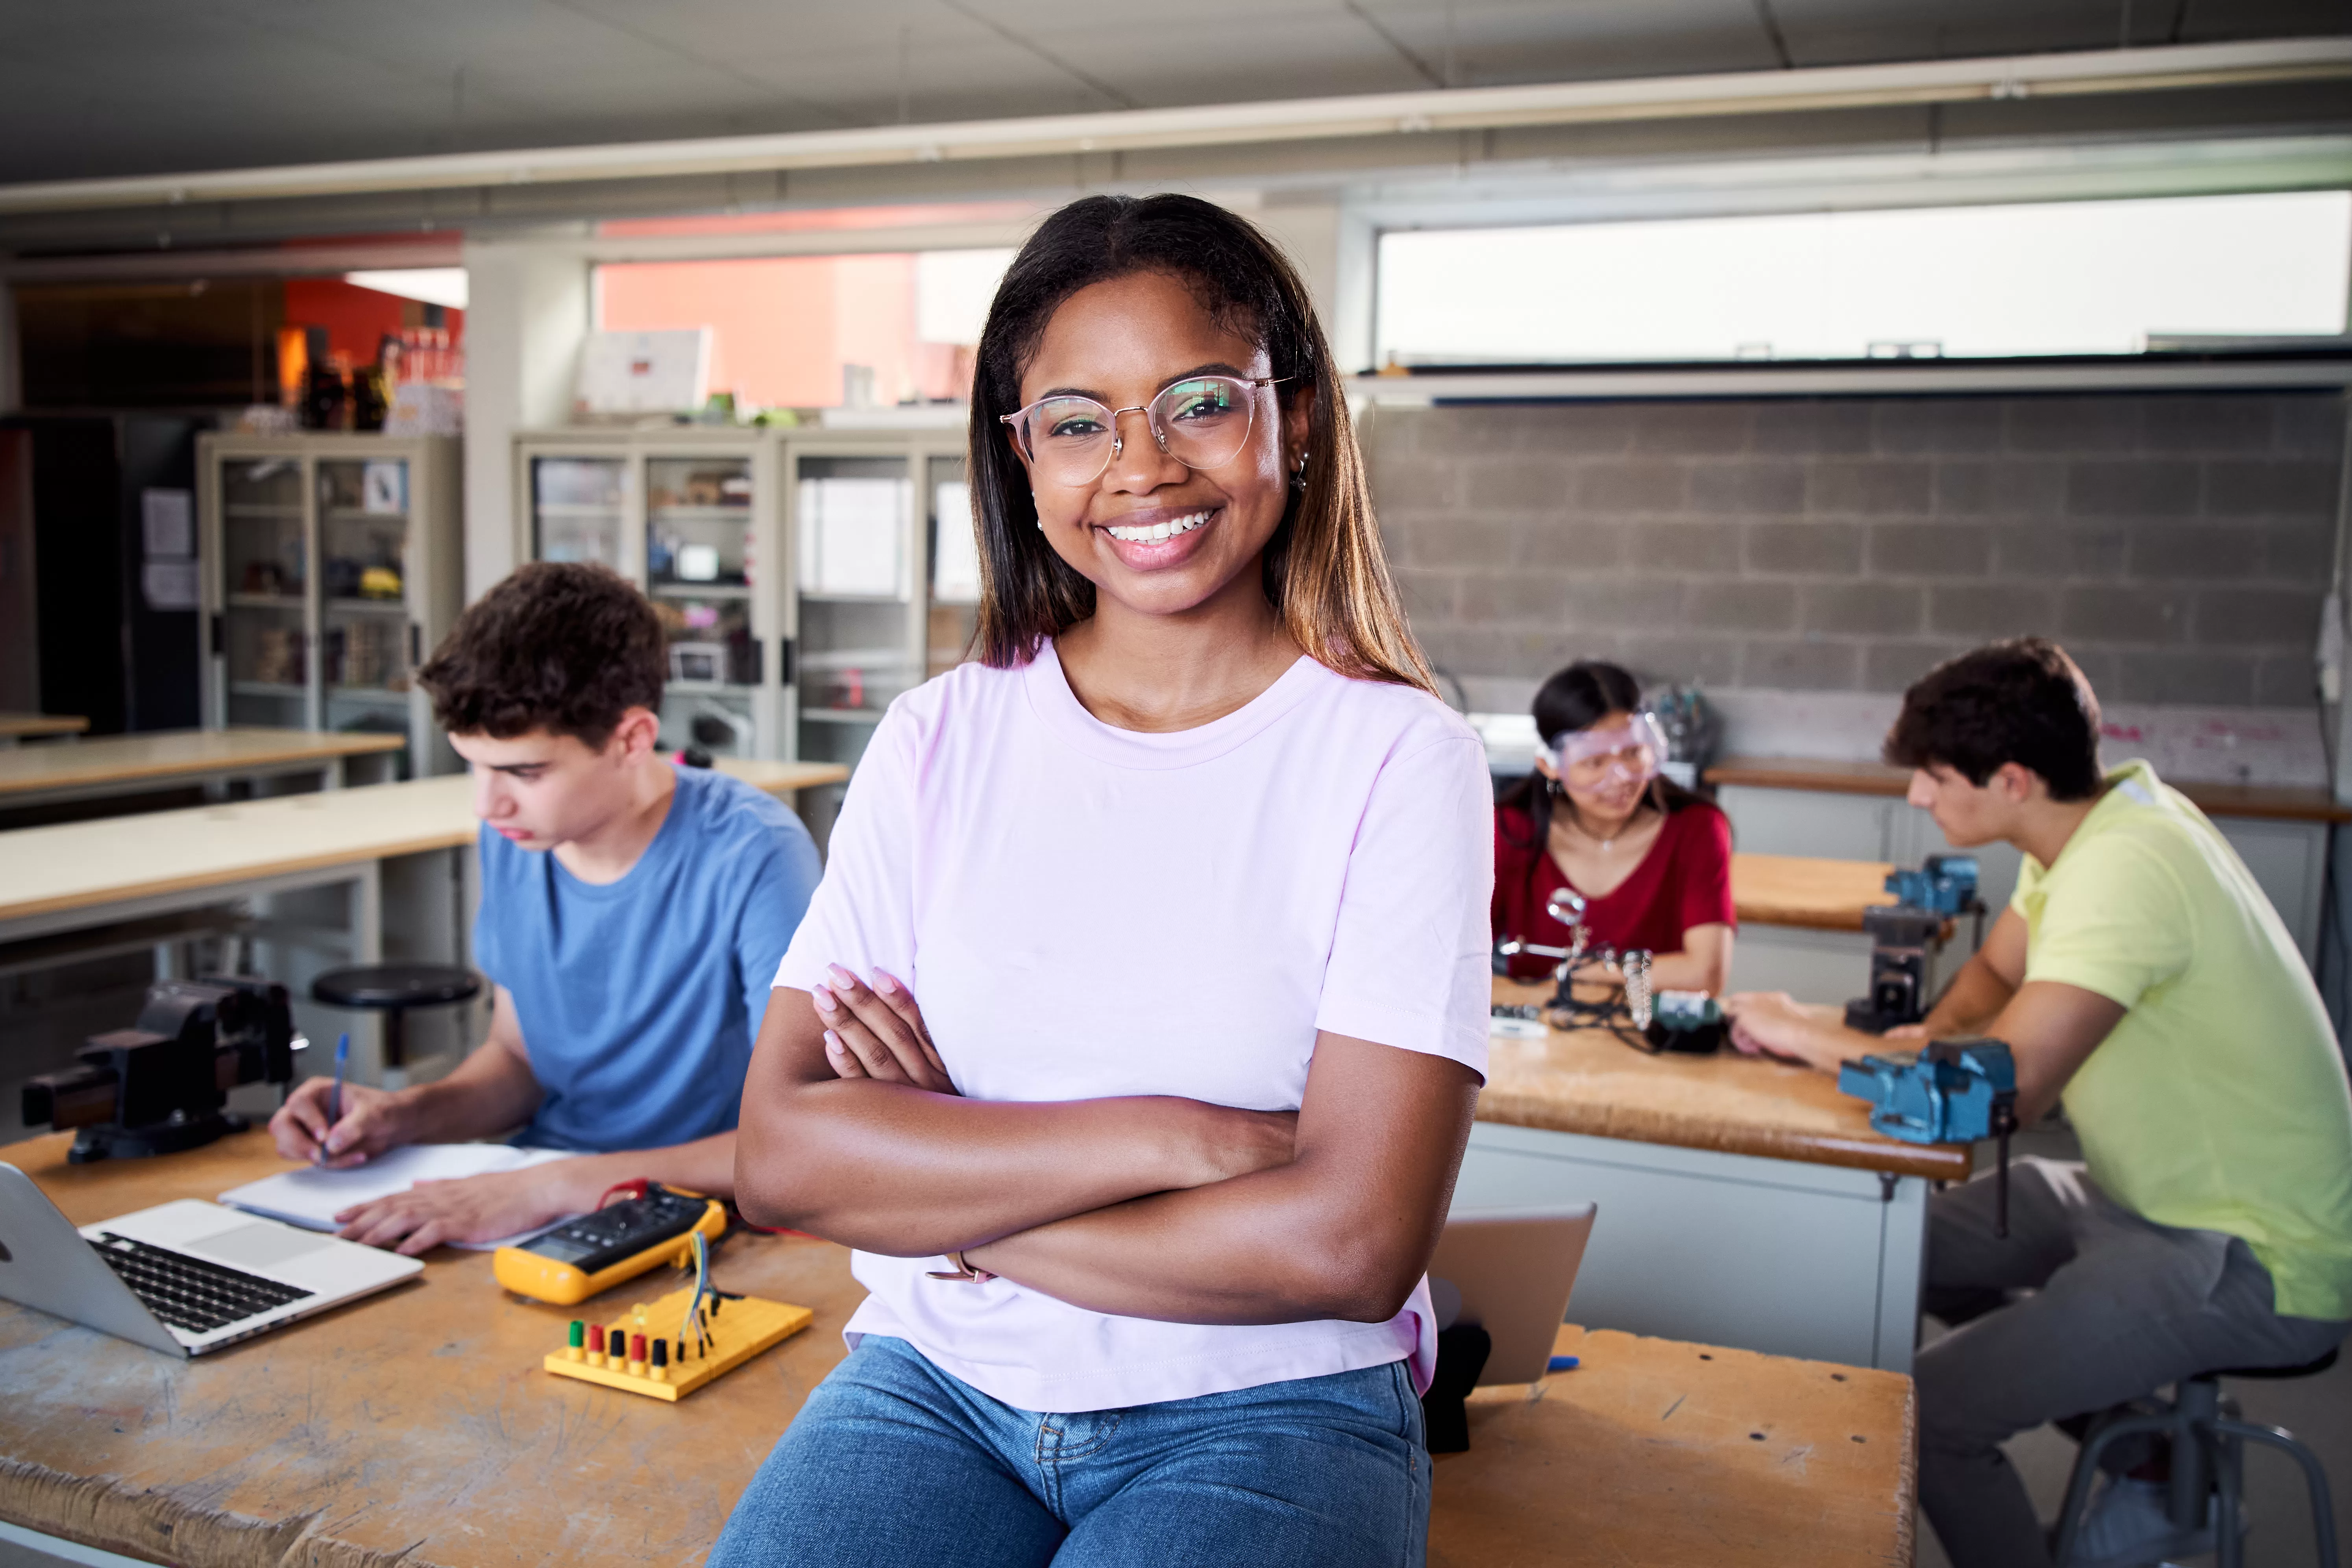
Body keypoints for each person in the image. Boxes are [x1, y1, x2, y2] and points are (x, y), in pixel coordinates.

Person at [711, 194, 1490, 1568]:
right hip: (937, 1386)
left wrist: (946, 1196)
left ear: (1291, 418)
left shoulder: (1398, 758)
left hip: (1275, 1403)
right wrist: (1182, 1137)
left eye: (1196, 402)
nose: (1139, 467)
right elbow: (783, 1155)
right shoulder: (936, 739)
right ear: (1019, 458)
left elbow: (1348, 1247)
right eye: (1077, 421)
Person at [1721, 638, 2352, 1568]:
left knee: (1926, 1413)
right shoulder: (2090, 824)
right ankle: (2143, 1446)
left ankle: (2119, 1426)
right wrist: (1914, 1041)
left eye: (1934, 778)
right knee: (1891, 1250)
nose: (1916, 799)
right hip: (2132, 1194)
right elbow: (1988, 971)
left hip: (2250, 1250)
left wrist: (1803, 1031)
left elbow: (1992, 1095)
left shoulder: (2124, 869)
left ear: (2011, 779)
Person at [266, 562, 822, 1254]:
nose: (487, 803)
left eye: (523, 771)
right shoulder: (518, 833)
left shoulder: (753, 851)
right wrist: (401, 1116)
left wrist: (558, 1185)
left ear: (631, 739)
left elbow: (807, 1134)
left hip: (699, 1216)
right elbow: (518, 1062)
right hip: (537, 1187)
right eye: (474, 764)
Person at [1492, 660, 1734, 993]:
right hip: (1536, 1037)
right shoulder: (1511, 831)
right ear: (1550, 765)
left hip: (1649, 1037)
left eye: (1634, 753)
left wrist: (1585, 973)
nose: (1620, 779)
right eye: (1595, 762)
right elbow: (1456, 957)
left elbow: (1705, 975)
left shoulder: (1697, 829)